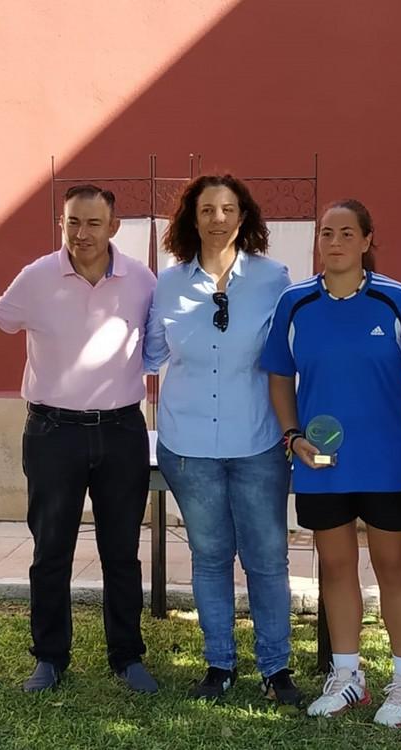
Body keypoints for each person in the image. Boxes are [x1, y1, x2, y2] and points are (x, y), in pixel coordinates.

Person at [262, 199, 401, 727]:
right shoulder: (294, 303)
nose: (333, 242)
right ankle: (348, 675)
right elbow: (278, 377)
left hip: (387, 462)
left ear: (366, 240)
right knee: (335, 568)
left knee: (392, 569)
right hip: (321, 464)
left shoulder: (397, 301)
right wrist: (293, 436)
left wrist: (381, 396)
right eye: (324, 233)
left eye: (344, 233)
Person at [0, 184, 159, 694]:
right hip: (52, 432)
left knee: (121, 551)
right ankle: (49, 656)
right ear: (61, 224)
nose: (81, 234)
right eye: (72, 223)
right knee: (51, 550)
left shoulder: (143, 281)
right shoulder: (37, 277)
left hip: (122, 430)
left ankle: (126, 656)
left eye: (92, 223)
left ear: (113, 226)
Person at [144, 174, 297, 704]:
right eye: (206, 209)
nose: (217, 219)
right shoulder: (166, 283)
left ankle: (276, 669)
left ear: (244, 217)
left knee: (267, 557)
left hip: (257, 438)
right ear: (192, 218)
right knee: (210, 555)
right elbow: (147, 354)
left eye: (228, 209)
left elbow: (291, 355)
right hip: (188, 444)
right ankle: (219, 664)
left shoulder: (275, 278)